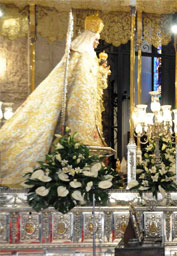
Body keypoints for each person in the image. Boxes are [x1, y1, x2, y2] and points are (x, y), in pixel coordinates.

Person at [0, 14, 110, 187]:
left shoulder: (91, 57)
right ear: (89, 37)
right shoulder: (79, 55)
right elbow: (69, 79)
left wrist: (101, 74)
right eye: (96, 39)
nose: (97, 42)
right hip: (77, 104)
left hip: (89, 108)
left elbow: (97, 85)